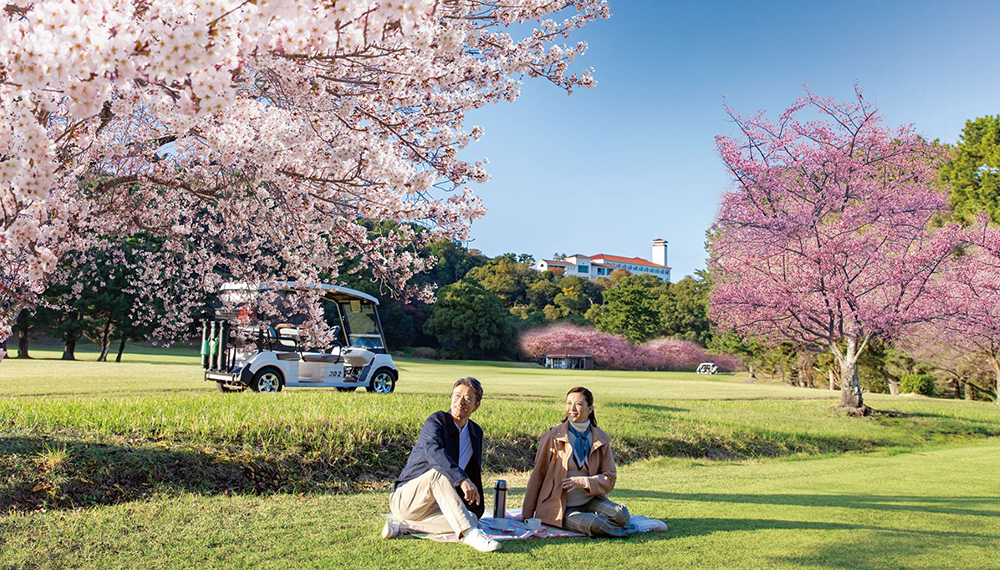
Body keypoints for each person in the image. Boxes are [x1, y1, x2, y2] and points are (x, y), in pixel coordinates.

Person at [382, 377, 500, 552]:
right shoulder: (436, 422)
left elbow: (474, 469)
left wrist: (476, 508)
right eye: (457, 395)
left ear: (476, 405)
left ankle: (403, 527)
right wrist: (461, 479)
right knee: (438, 474)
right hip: (407, 499)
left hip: (436, 505)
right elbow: (434, 452)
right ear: (451, 397)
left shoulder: (475, 432)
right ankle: (469, 534)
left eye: (467, 398)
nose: (460, 402)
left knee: (470, 517)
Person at [521, 386, 631, 538]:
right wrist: (526, 515)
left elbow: (610, 477)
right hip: (561, 507)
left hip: (590, 500)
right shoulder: (553, 436)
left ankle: (609, 525)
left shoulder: (601, 439)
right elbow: (538, 474)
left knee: (621, 515)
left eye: (578, 404)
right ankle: (624, 530)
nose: (572, 408)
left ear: (590, 409)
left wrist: (585, 482)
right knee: (595, 524)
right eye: (568, 403)